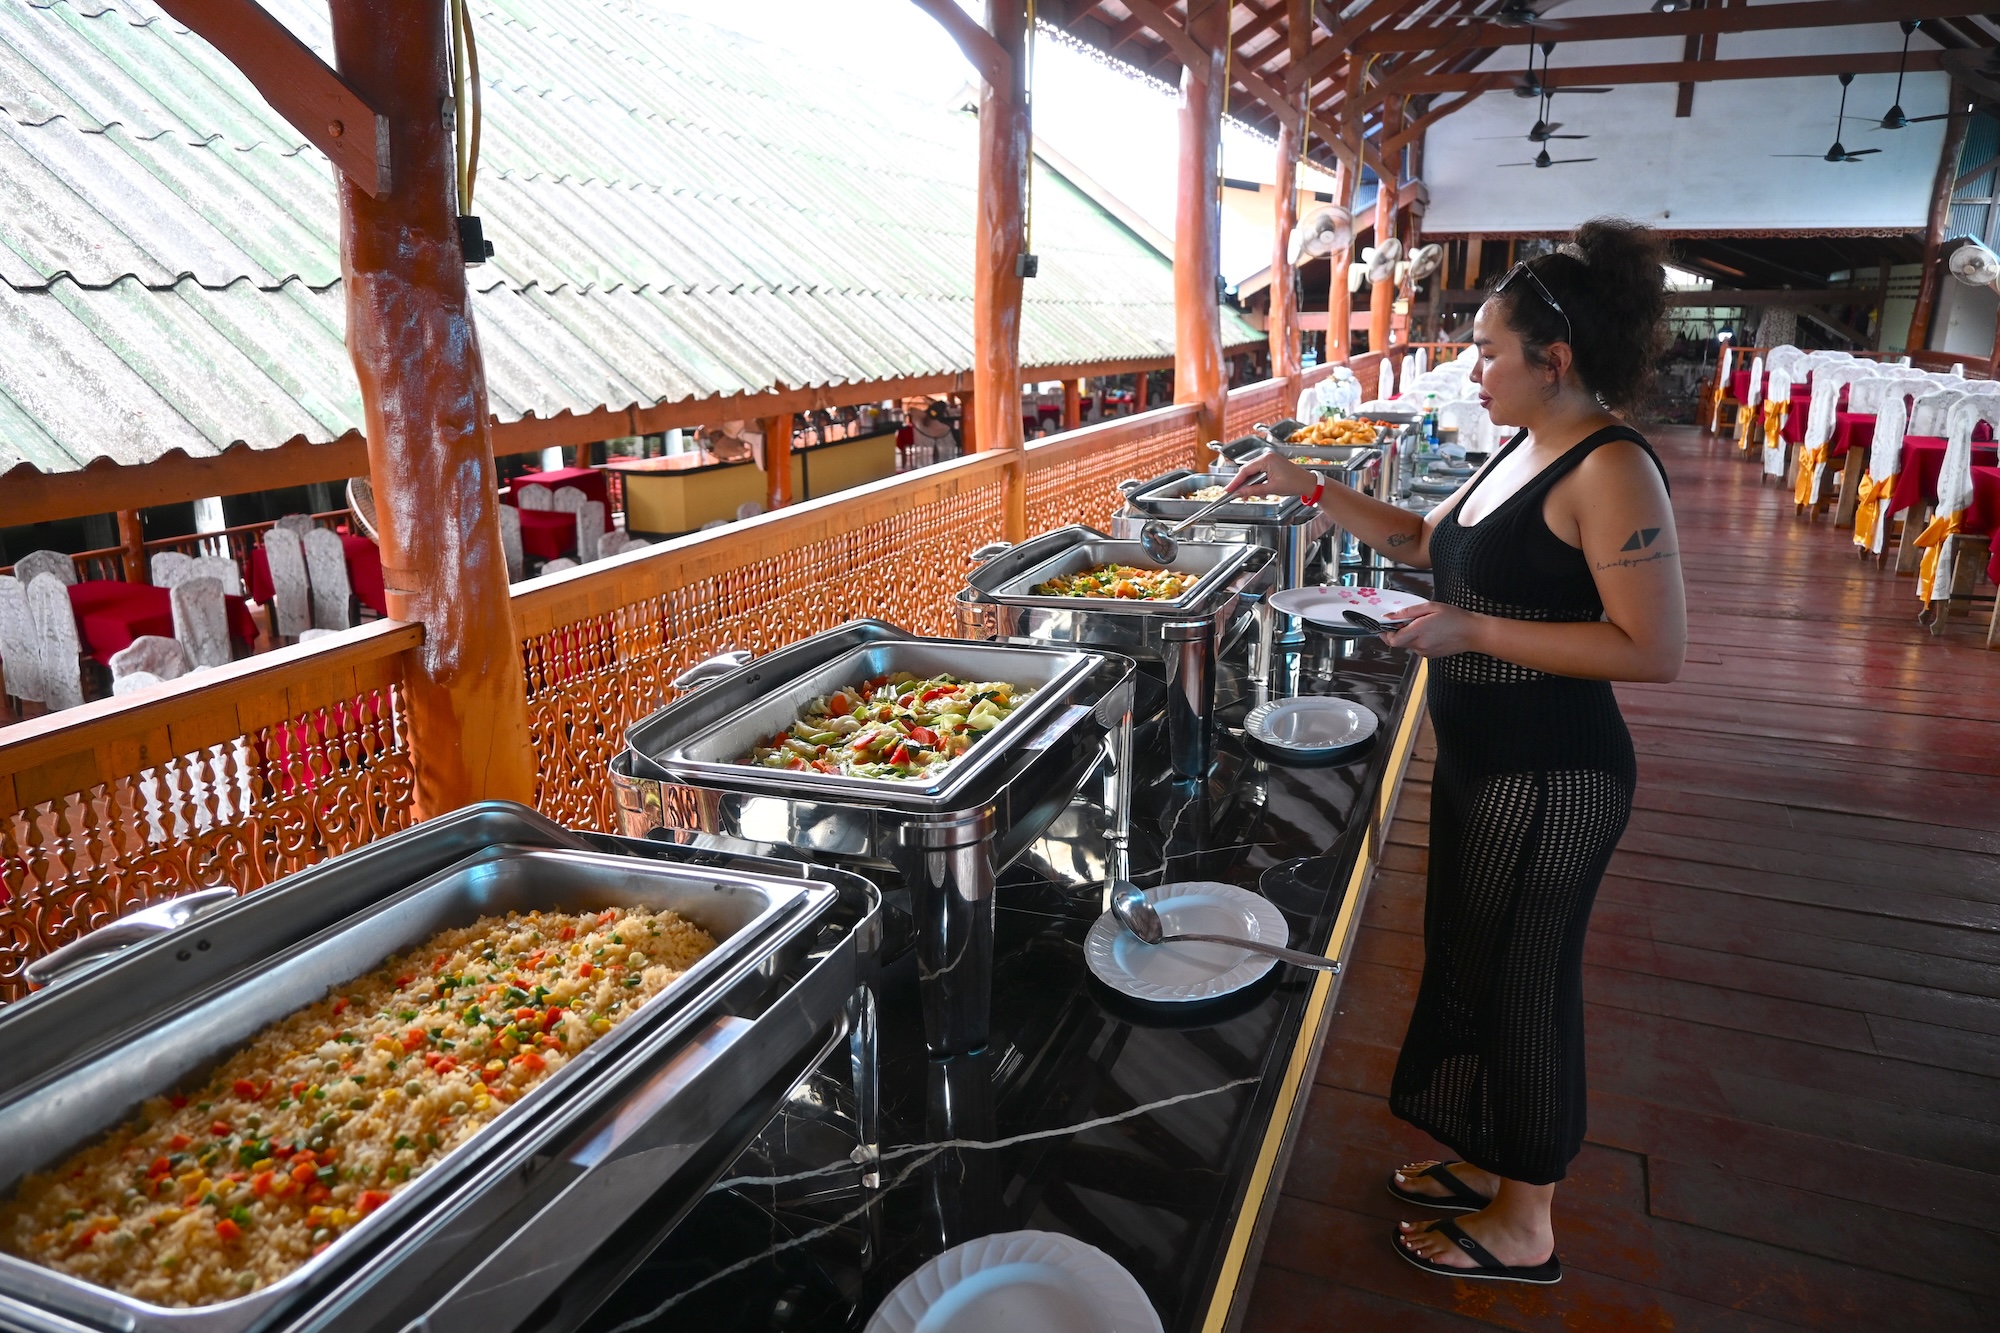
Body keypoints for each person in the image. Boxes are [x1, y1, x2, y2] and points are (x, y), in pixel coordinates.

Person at [1229, 218, 1686, 1285]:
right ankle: (1493, 1162)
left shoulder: (1609, 467)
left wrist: (1473, 631)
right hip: (1487, 759)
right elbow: (1423, 545)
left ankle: (1526, 1219)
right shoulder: (1521, 444)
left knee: (1525, 980)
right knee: (1472, 960)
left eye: (1486, 349)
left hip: (1554, 772)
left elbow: (1652, 650)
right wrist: (1303, 483)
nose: (1469, 366)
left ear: (1552, 360)